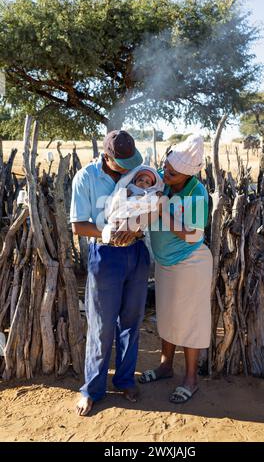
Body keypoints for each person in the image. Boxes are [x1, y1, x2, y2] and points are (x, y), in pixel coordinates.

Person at [70, 130, 150, 416]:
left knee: (131, 321)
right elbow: (78, 225)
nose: (130, 169)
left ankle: (126, 379)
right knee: (102, 326)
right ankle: (92, 389)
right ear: (107, 157)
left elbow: (155, 201)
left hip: (138, 253)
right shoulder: (86, 178)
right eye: (122, 163)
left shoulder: (140, 173)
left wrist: (140, 224)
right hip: (105, 256)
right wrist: (109, 232)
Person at [139, 134, 212, 404]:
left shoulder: (197, 194)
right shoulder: (161, 178)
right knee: (167, 316)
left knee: (190, 320)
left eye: (172, 172)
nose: (165, 173)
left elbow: (192, 235)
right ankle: (165, 366)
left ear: (187, 174)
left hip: (190, 261)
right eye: (166, 166)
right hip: (165, 261)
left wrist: (162, 211)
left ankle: (191, 379)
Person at [101, 165, 164, 245]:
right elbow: (116, 202)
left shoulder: (150, 193)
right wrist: (123, 194)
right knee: (113, 228)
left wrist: (156, 197)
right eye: (140, 179)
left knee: (131, 232)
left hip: (137, 215)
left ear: (151, 186)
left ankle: (123, 238)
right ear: (135, 180)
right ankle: (113, 236)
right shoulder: (130, 188)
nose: (143, 182)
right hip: (123, 212)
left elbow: (152, 206)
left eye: (147, 182)